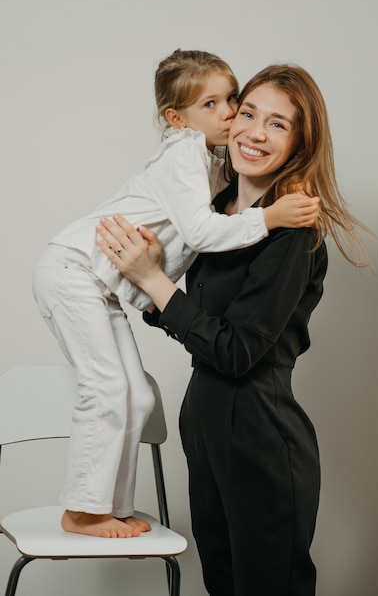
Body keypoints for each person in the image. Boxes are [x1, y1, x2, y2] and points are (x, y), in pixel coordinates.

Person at [96, 63, 372, 593]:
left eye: (278, 124)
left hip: (258, 432)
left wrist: (155, 284)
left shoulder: (293, 233)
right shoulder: (214, 214)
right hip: (202, 423)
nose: (253, 132)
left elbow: (237, 352)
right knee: (221, 583)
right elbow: (198, 322)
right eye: (247, 113)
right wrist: (151, 276)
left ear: (300, 142)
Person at [32, 50, 320, 539]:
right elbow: (200, 240)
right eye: (231, 108)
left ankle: (108, 506)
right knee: (105, 388)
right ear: (177, 118)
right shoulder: (188, 158)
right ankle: (83, 509)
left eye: (234, 100)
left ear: (298, 141)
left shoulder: (229, 188)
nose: (234, 117)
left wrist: (151, 281)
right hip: (73, 271)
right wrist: (265, 218)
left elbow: (226, 340)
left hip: (248, 424)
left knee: (138, 398)